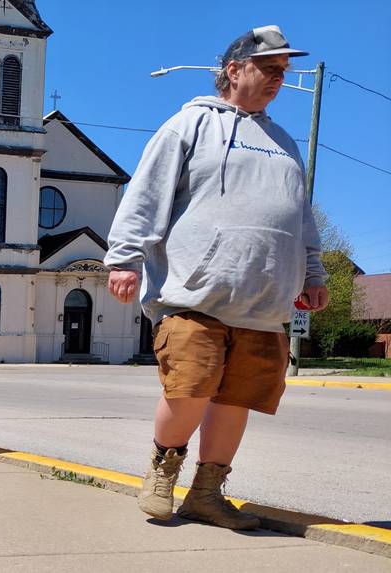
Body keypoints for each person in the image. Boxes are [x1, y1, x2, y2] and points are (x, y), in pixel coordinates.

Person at [104, 25, 328, 530]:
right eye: (268, 69)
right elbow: (146, 194)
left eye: (282, 72)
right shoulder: (189, 126)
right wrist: (124, 258)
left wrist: (313, 271)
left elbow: (300, 217)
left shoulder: (284, 143)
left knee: (235, 400)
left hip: (265, 302)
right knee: (189, 390)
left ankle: (206, 493)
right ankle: (163, 471)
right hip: (196, 294)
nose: (278, 79)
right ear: (234, 69)